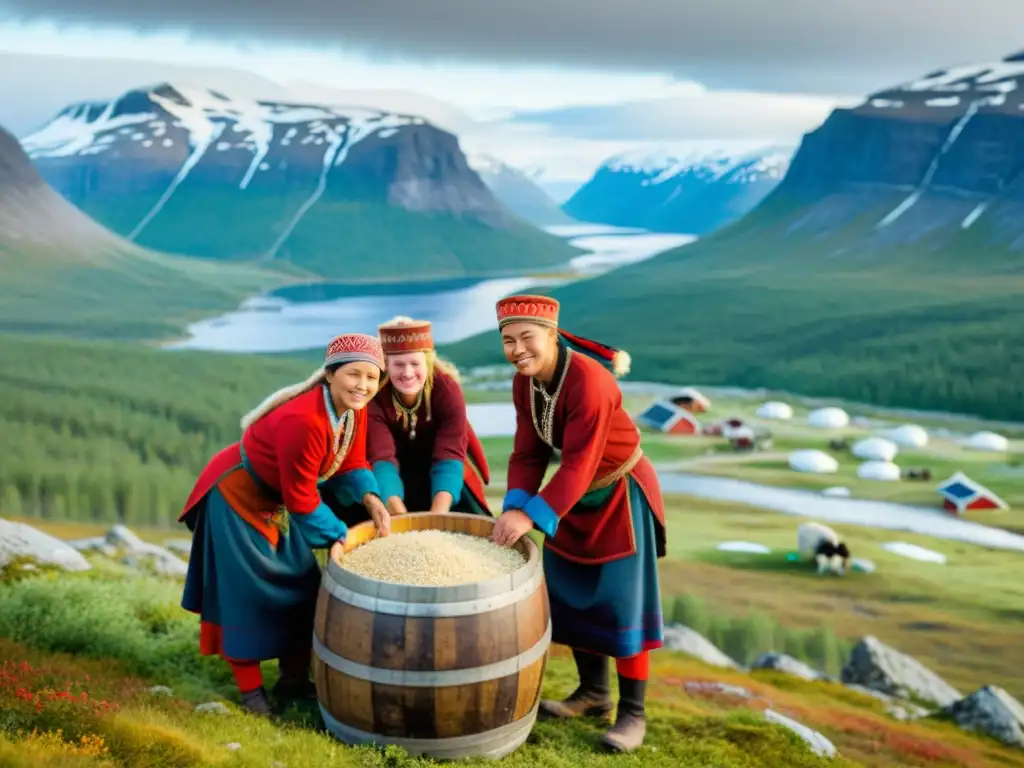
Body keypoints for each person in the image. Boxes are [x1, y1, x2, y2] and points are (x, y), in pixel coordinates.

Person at [178, 333, 392, 717]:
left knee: (303, 584)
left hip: (276, 501)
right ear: (329, 374)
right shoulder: (304, 420)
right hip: (235, 497)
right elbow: (304, 500)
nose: (363, 385)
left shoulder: (353, 412)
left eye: (372, 378)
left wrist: (370, 498)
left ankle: (293, 679)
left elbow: (351, 463)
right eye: (354, 374)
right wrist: (341, 536)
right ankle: (252, 695)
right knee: (244, 595)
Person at [488, 294, 666, 754]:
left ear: (552, 335)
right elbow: (528, 452)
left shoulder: (591, 381)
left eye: (527, 337)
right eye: (508, 340)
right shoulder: (523, 383)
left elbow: (581, 465)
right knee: (572, 595)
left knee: (622, 604)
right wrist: (514, 506)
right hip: (573, 499)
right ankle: (593, 694)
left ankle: (633, 713)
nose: (517, 349)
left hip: (619, 495)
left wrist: (531, 515)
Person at [324, 315, 491, 523]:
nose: (408, 372)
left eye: (415, 363)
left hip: (436, 469)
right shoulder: (375, 396)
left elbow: (449, 455)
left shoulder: (447, 389)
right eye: (399, 365)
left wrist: (437, 518)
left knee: (473, 521)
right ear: (386, 365)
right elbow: (381, 457)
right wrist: (403, 523)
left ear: (428, 363)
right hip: (387, 474)